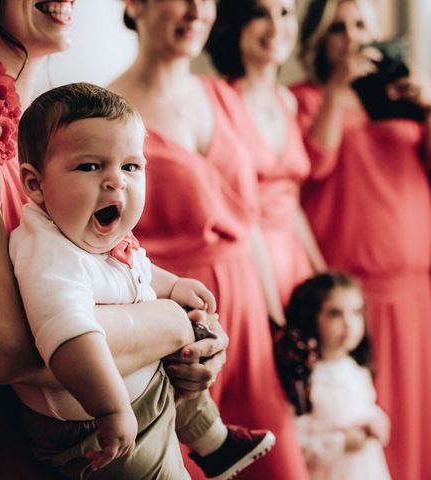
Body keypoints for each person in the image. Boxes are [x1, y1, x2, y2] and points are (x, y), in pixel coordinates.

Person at [0, 1, 227, 478]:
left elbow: (106, 277)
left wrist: (189, 350)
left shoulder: (62, 137)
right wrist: (174, 324)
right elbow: (10, 347)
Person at [10, 82, 275, 479]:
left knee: (174, 368)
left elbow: (134, 267)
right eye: (90, 166)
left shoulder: (87, 229)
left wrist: (170, 287)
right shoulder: (49, 254)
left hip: (133, 391)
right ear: (35, 184)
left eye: (131, 166)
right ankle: (209, 445)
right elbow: (69, 337)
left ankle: (214, 443)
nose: (117, 181)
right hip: (91, 424)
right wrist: (111, 409)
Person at [108, 1, 309, 479]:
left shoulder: (223, 95)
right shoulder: (106, 110)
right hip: (177, 324)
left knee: (281, 467)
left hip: (250, 322)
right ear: (134, 5)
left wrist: (277, 322)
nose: (198, 10)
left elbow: (252, 221)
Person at [291, 1, 431, 479]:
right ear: (321, 41)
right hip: (349, 297)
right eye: (338, 28)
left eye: (361, 24)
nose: (352, 36)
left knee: (412, 421)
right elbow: (313, 163)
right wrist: (338, 92)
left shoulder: (399, 94)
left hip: (413, 290)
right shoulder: (306, 98)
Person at [206, 0, 326, 317]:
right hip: (251, 262)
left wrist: (321, 272)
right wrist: (274, 311)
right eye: (261, 14)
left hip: (295, 260)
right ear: (236, 24)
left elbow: (293, 205)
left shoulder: (286, 101)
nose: (276, 27)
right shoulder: (219, 102)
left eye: (285, 13)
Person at [281, 271, 391, 480]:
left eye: (356, 312)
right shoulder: (306, 380)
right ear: (312, 318)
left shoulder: (357, 369)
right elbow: (296, 441)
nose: (349, 323)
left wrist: (376, 421)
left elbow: (367, 406)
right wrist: (341, 442)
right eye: (335, 314)